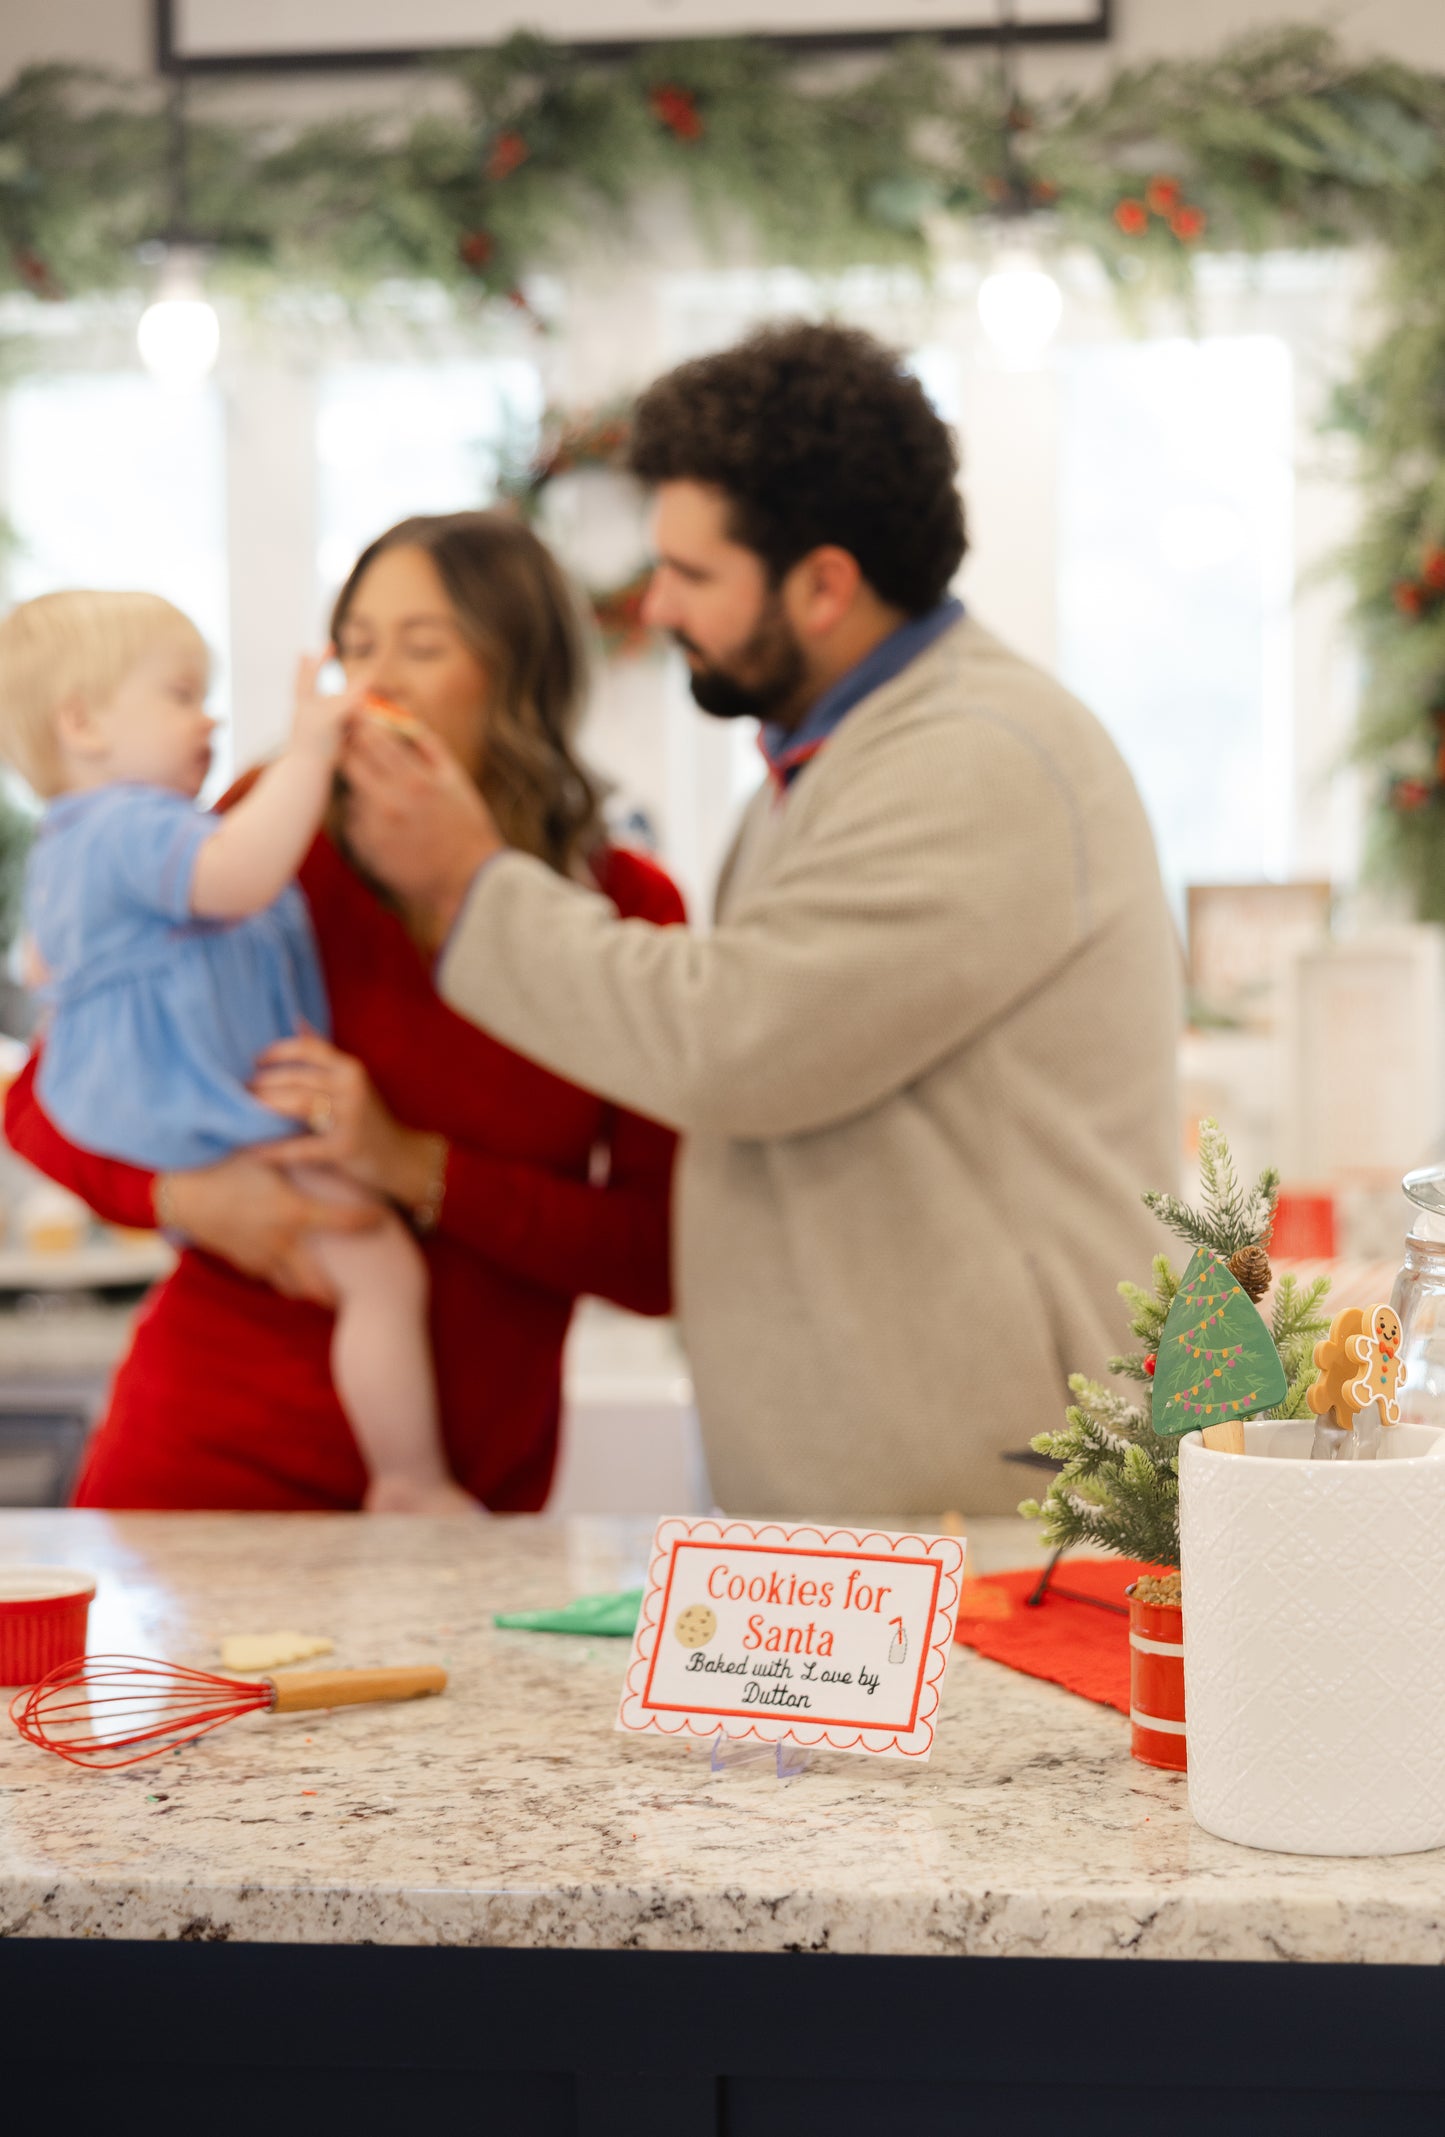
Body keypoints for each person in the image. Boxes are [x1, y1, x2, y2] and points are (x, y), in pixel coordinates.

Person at [336, 323, 1182, 1519]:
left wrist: (468, 878)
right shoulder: (826, 767)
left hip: (989, 1497)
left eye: (690, 572)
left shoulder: (974, 758)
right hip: (882, 1486)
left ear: (823, 583)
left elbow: (735, 1042)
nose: (658, 601)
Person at [2, 514, 683, 1511]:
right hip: (204, 1461)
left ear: (519, 672)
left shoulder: (627, 911)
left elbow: (653, 1257)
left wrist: (415, 1166)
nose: (375, 683)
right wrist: (191, 1200)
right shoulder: (266, 840)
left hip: (467, 1498)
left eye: (421, 646)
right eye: (355, 647)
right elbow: (48, 1100)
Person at [0, 589, 473, 1515]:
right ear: (83, 723)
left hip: (167, 1113)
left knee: (371, 1272)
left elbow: (46, 961)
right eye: (181, 693)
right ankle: (411, 1478)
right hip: (213, 1107)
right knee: (381, 1269)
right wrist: (306, 753)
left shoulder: (70, 843)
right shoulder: (133, 825)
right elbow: (240, 872)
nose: (208, 717)